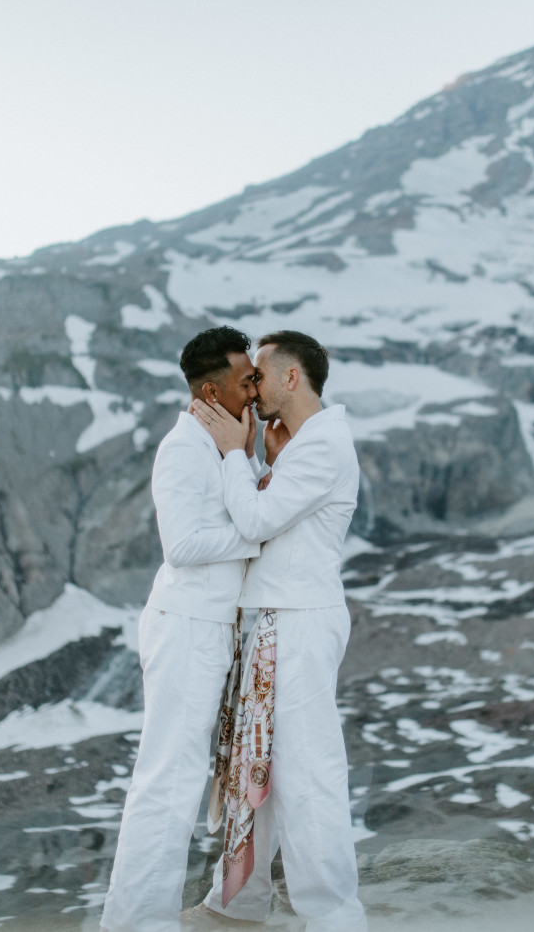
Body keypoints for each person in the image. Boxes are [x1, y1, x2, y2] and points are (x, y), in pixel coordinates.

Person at [189, 330, 368, 932]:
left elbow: (257, 520)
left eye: (260, 375)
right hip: (278, 618)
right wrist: (266, 462)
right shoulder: (301, 446)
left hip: (300, 620)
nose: (251, 386)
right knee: (257, 760)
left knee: (307, 768)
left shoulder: (324, 445)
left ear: (292, 377)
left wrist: (234, 455)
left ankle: (335, 915)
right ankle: (238, 902)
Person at [100, 326, 271, 932]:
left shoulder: (225, 444)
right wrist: (257, 534)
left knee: (178, 776)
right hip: (186, 628)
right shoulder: (182, 449)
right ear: (210, 390)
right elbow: (182, 546)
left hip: (209, 628)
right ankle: (138, 923)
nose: (256, 390)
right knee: (167, 780)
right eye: (246, 380)